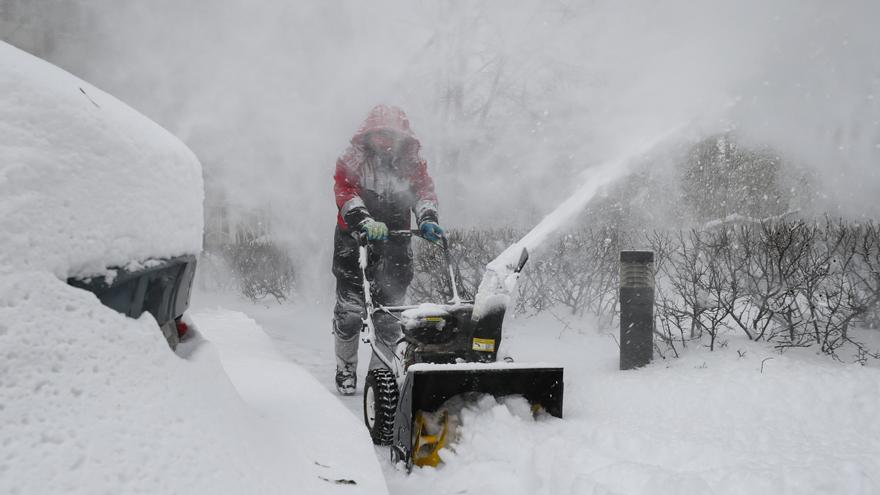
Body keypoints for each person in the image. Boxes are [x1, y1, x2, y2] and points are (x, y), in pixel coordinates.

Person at [331, 105, 444, 395]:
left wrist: (428, 217)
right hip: (353, 239)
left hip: (395, 240)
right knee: (351, 312)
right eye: (380, 133)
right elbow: (344, 192)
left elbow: (424, 192)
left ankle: (378, 377)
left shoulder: (412, 164)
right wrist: (364, 219)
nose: (386, 140)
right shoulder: (352, 160)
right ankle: (345, 367)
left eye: (391, 134)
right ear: (368, 135)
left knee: (390, 314)